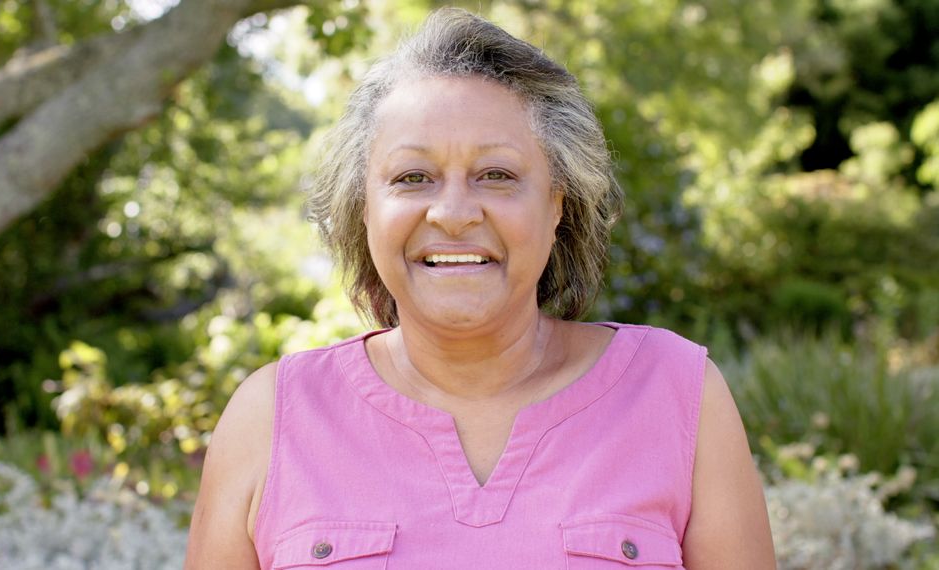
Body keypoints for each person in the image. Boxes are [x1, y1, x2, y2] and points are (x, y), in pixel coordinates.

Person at [184, 8, 775, 569]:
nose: (454, 212)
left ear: (555, 206)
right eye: (413, 177)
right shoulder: (272, 416)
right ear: (364, 211)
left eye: (497, 175)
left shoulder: (677, 392)